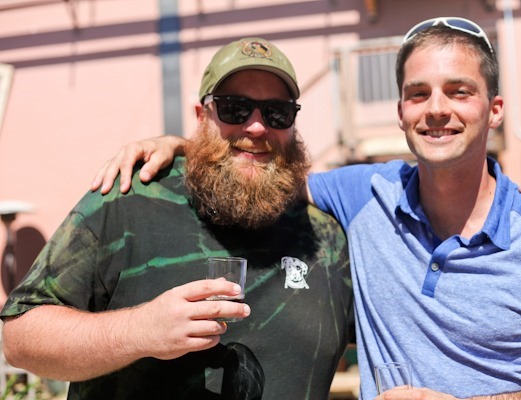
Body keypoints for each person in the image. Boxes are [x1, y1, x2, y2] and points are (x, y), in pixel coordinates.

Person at [90, 17, 521, 399]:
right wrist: (188, 144)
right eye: (418, 94)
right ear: (400, 112)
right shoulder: (366, 194)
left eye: (459, 92)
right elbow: (259, 170)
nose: (437, 109)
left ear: (494, 110)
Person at [0, 38, 354, 400]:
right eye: (235, 109)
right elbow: (20, 337)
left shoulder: (325, 237)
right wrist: (138, 331)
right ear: (202, 116)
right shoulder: (129, 199)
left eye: (277, 112)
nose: (257, 127)